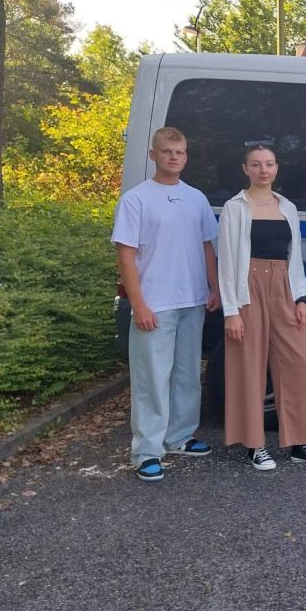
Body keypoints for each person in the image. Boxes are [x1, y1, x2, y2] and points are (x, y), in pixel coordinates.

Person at [217, 145, 306, 471]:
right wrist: (231, 311)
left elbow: (294, 257)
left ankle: (301, 443)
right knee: (249, 367)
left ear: (276, 168)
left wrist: (300, 299)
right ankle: (255, 446)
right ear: (245, 169)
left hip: (283, 286)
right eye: (256, 164)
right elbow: (227, 262)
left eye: (268, 164)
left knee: (302, 364)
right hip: (247, 288)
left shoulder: (287, 207)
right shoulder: (234, 208)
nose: (263, 170)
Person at [112, 127, 219, 482]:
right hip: (154, 304)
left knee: (187, 375)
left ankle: (179, 437)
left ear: (186, 157)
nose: (174, 157)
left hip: (192, 300)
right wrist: (138, 304)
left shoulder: (196, 198)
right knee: (151, 379)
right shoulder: (136, 199)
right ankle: (146, 452)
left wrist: (214, 287)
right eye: (167, 151)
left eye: (180, 152)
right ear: (153, 155)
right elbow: (125, 256)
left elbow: (207, 246)